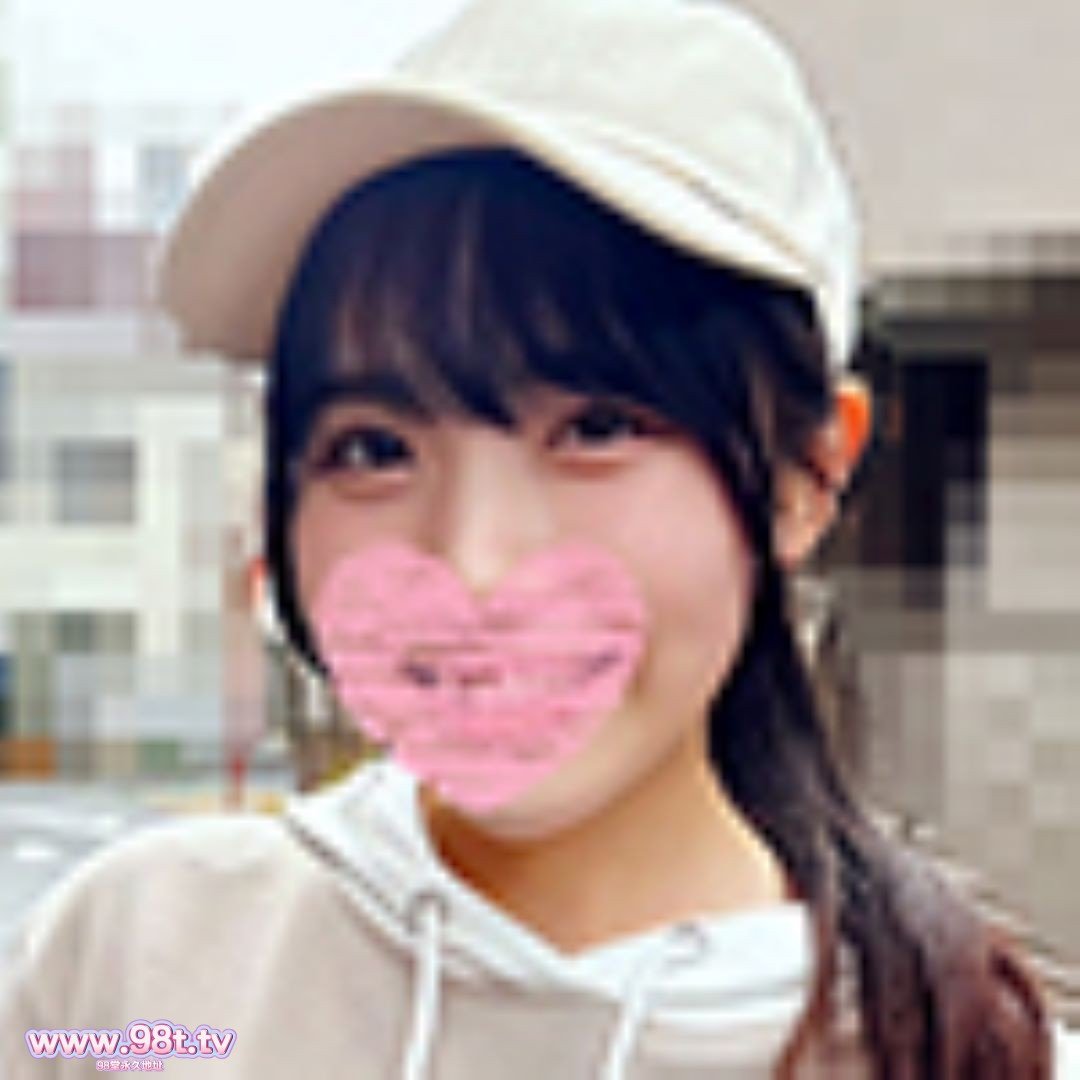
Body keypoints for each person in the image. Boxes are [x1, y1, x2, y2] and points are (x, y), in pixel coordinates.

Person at [2, 0, 1074, 1076]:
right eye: (373, 448)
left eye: (598, 429)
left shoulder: (962, 1058)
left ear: (809, 475)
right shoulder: (147, 982)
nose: (471, 566)